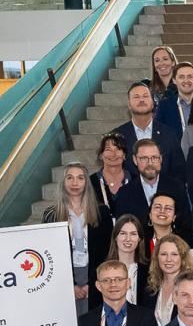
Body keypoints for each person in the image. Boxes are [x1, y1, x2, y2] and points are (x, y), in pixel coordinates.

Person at [44, 161, 109, 315]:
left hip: (93, 275)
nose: (75, 183)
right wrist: (69, 285)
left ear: (86, 182)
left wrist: (93, 283)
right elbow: (50, 253)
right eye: (70, 178)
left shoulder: (102, 212)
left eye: (80, 178)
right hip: (64, 275)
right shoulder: (51, 215)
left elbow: (106, 251)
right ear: (63, 182)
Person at [118, 81, 187, 184]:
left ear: (152, 102)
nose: (141, 100)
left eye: (145, 96)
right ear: (129, 104)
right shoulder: (119, 136)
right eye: (136, 97)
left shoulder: (169, 134)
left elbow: (179, 171)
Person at [98, 215, 151, 308]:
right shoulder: (101, 270)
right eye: (123, 233)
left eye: (133, 234)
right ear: (115, 237)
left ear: (139, 239)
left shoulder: (149, 271)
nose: (128, 239)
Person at [148, 234, 193, 326]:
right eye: (163, 254)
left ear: (182, 258)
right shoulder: (150, 289)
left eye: (174, 254)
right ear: (157, 258)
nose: (168, 259)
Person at [91, 133, 132, 220]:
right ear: (101, 155)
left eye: (118, 149)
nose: (113, 154)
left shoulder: (135, 181)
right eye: (108, 150)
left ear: (124, 155)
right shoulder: (90, 182)